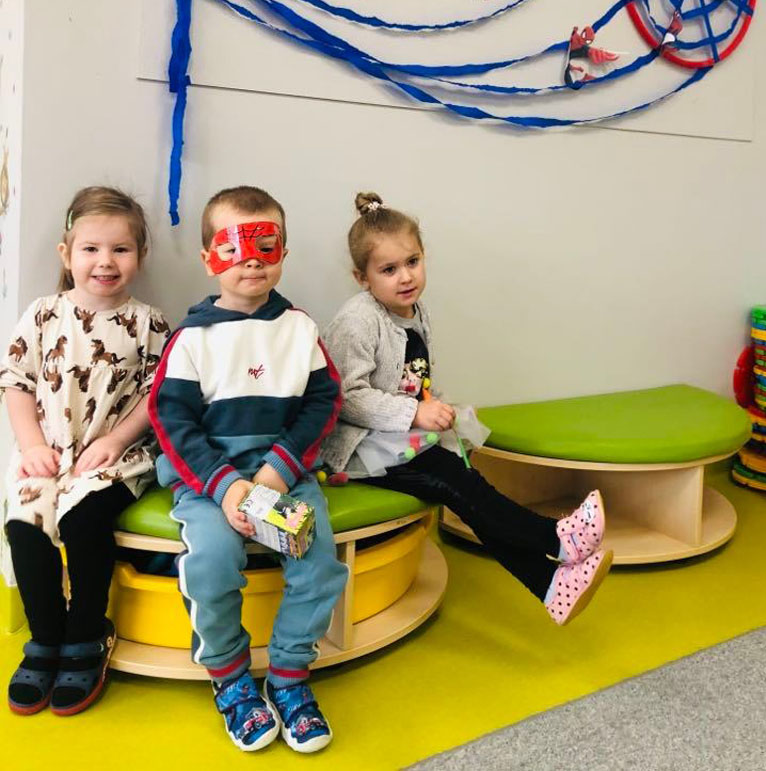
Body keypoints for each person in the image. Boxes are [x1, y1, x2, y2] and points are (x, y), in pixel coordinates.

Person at [321, 192, 613, 628]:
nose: (406, 276)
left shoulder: (415, 310)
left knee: (466, 487)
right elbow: (346, 397)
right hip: (361, 447)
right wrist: (414, 414)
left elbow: (412, 376)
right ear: (361, 278)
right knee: (459, 483)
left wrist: (433, 408)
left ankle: (549, 583)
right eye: (388, 269)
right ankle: (555, 539)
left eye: (413, 261)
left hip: (399, 437)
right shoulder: (357, 321)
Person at [149, 185, 347, 754]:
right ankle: (230, 677)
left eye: (266, 245)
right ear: (207, 257)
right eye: (233, 246)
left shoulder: (300, 329)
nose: (251, 259)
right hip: (209, 484)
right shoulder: (191, 339)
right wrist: (226, 485)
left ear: (284, 251)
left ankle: (288, 676)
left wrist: (279, 470)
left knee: (318, 564)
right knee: (211, 563)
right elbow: (171, 420)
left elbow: (323, 402)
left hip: (285, 476)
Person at [2, 186, 169, 716]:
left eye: (121, 249)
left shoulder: (150, 323)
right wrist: (31, 445)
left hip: (117, 456)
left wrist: (116, 440)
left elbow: (156, 396)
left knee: (82, 519)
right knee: (25, 523)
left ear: (140, 255)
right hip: (48, 451)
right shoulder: (43, 314)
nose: (105, 261)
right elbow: (16, 382)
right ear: (66, 253)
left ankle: (87, 633)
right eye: (91, 249)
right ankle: (46, 638)